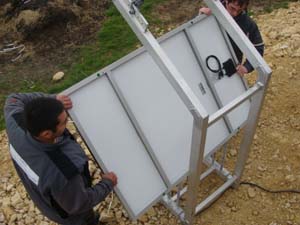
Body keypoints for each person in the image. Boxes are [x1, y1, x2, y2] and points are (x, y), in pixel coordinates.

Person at [4, 92, 118, 225]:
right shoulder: (62, 171)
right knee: (84, 220)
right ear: (47, 134)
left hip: (44, 200)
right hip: (71, 216)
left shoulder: (15, 121)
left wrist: (53, 100)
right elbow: (80, 203)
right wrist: (107, 183)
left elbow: (13, 98)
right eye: (64, 122)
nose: (68, 119)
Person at [199, 0, 264, 76]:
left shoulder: (249, 24)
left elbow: (258, 48)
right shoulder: (211, 11)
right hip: (204, 61)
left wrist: (247, 67)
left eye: (239, 10)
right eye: (232, 8)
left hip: (230, 70)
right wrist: (200, 18)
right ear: (226, 1)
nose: (235, 13)